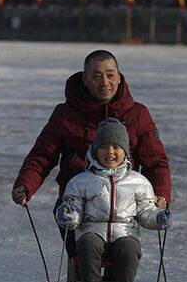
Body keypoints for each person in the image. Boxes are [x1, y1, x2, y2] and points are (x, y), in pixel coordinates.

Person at [11, 50, 171, 251]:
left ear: (119, 78)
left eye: (110, 75)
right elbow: (42, 156)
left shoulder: (138, 115)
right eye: (96, 76)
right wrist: (25, 185)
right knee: (81, 254)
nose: (105, 82)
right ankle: (80, 275)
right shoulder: (65, 114)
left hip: (125, 205)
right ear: (85, 80)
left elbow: (156, 162)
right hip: (77, 201)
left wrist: (161, 194)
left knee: (123, 256)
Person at [55, 118, 172, 282]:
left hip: (124, 233)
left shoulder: (138, 182)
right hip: (92, 231)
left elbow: (145, 211)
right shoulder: (81, 181)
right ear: (95, 151)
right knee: (87, 244)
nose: (110, 152)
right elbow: (73, 208)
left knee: (130, 247)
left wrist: (158, 217)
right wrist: (68, 215)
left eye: (116, 147)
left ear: (125, 151)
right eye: (104, 147)